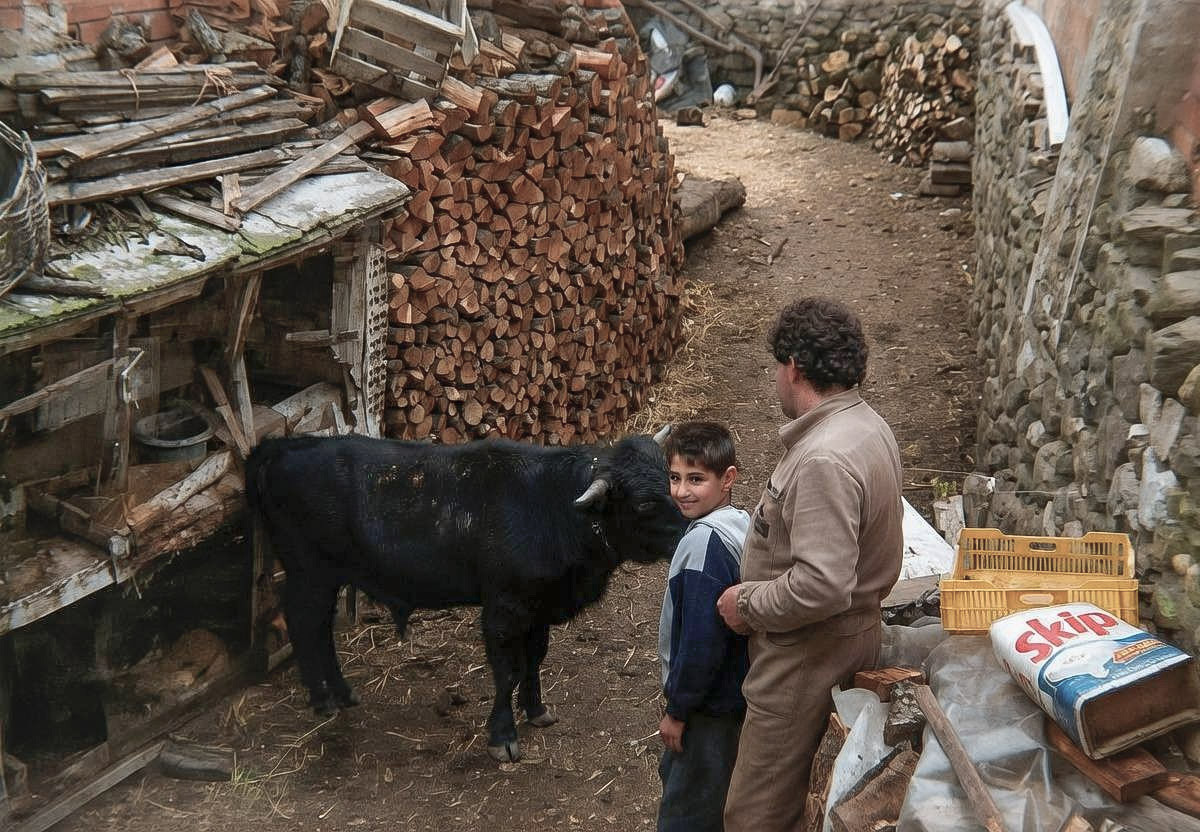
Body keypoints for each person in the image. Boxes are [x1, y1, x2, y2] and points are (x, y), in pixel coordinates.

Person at [716, 297, 904, 832]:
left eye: (778, 366)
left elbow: (821, 586)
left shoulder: (824, 457)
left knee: (756, 815)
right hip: (847, 638)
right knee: (811, 800)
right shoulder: (867, 424)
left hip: (805, 655)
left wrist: (747, 604)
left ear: (794, 367)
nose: (776, 378)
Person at [655, 421, 751, 832]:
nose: (681, 491)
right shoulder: (739, 523)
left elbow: (700, 642)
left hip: (706, 708)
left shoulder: (703, 544)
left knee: (687, 811)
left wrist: (678, 710)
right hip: (733, 697)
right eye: (675, 478)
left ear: (728, 478)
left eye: (696, 479)